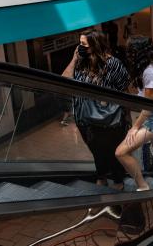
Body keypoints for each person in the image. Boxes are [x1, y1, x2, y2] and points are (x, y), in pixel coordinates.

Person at [62, 29, 130, 190]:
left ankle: (118, 183)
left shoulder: (112, 63)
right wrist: (74, 58)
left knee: (113, 153)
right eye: (79, 44)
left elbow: (124, 89)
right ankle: (102, 179)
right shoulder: (80, 62)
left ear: (94, 45)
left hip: (108, 120)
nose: (80, 47)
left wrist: (126, 116)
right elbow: (64, 81)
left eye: (83, 44)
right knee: (97, 152)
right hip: (84, 119)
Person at [115, 35, 153, 191]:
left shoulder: (149, 72)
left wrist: (135, 127)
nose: (128, 54)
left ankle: (143, 185)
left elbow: (148, 107)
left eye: (130, 51)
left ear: (137, 52)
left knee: (121, 152)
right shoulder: (151, 66)